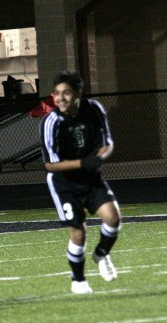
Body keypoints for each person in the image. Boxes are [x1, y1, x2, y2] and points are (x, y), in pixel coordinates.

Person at [40, 70, 121, 294]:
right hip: (63, 183)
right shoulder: (51, 122)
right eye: (57, 94)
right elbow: (49, 165)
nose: (61, 98)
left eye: (67, 93)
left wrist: (99, 158)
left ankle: (101, 254)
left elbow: (107, 143)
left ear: (78, 93)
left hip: (90, 178)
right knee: (78, 232)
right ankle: (78, 280)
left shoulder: (94, 109)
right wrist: (82, 163)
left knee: (113, 218)